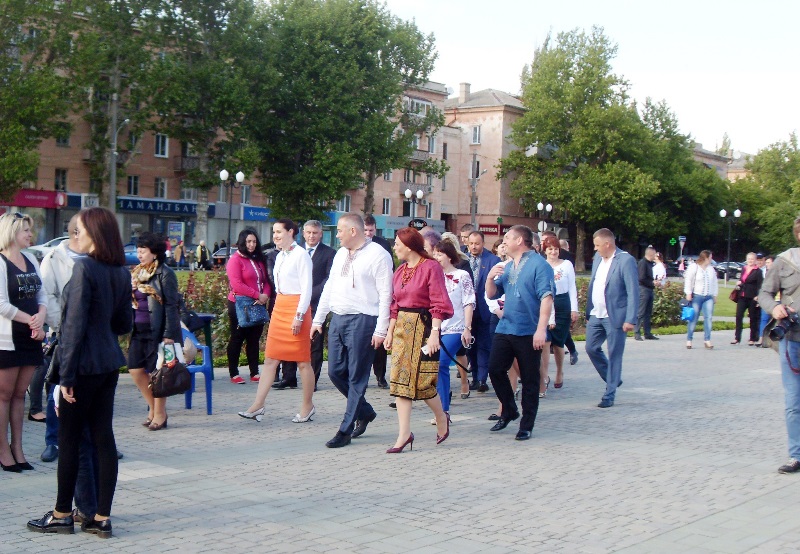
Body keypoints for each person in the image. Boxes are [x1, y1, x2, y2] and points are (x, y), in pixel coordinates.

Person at [28, 207, 133, 537]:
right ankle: (101, 517)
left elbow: (72, 327)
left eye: (80, 231)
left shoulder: (84, 268)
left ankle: (62, 513)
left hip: (83, 366)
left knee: (69, 440)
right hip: (108, 364)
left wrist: (66, 377)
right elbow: (123, 323)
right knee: (103, 438)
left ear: (95, 235)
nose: (76, 237)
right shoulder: (120, 272)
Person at [312, 214, 393, 448]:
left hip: (364, 319)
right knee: (335, 372)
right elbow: (329, 287)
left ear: (353, 231)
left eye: (340, 230)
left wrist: (381, 329)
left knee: (357, 376)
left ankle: (345, 430)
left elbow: (386, 294)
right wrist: (319, 319)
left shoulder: (378, 255)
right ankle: (365, 411)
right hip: (339, 318)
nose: (337, 235)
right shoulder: (340, 254)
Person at [384, 227, 454, 453]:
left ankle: (441, 416)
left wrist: (435, 333)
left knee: (422, 383)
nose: (394, 247)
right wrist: (389, 332)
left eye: (397, 244)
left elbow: (439, 302)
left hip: (423, 328)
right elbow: (395, 305)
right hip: (402, 330)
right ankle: (404, 434)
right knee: (400, 382)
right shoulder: (400, 270)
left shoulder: (431, 267)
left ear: (408, 246)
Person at [239, 219, 314, 423]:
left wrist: (299, 316)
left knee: (303, 362)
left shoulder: (301, 255)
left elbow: (307, 289)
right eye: (274, 232)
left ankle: (307, 406)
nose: (275, 236)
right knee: (271, 359)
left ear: (291, 232)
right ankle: (258, 405)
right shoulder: (279, 255)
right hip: (280, 307)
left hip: (297, 308)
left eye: (279, 232)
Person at [485, 225, 554, 441]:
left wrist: (541, 329)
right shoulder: (507, 265)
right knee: (495, 369)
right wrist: (489, 278)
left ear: (520, 241)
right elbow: (493, 293)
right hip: (506, 326)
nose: (503, 241)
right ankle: (509, 409)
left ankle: (526, 424)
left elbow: (547, 298)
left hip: (528, 330)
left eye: (508, 237)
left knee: (530, 379)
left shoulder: (539, 265)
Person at [0, 212, 46, 472]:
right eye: (25, 230)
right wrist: (32, 321)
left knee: (20, 395)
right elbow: (1, 304)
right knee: (4, 395)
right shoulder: (0, 262)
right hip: (7, 338)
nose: (30, 234)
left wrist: (41, 317)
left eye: (30, 229)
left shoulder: (31, 259)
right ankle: (3, 450)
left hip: (30, 337)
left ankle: (18, 448)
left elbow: (42, 294)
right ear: (11, 232)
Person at [128, 232, 182, 431]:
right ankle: (154, 408)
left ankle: (159, 414)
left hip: (158, 331)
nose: (139, 255)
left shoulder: (165, 274)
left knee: (158, 375)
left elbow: (171, 306)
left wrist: (168, 334)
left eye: (143, 251)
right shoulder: (137, 273)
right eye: (138, 251)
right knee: (134, 369)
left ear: (154, 252)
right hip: (138, 329)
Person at [758, 220, 800, 474]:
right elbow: (764, 293)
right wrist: (775, 308)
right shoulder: (785, 261)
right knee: (794, 401)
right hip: (791, 339)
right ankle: (796, 455)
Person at [274, 220, 335, 390]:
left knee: (314, 343)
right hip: (294, 304)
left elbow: (328, 280)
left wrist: (308, 295)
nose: (311, 236)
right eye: (308, 232)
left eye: (315, 233)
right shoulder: (295, 251)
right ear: (303, 233)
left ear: (321, 234)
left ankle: (312, 381)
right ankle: (288, 377)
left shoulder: (330, 253)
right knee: (290, 340)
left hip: (316, 304)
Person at [585, 228, 639, 408]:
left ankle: (609, 394)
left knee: (614, 354)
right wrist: (588, 311)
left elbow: (633, 291)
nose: (595, 249)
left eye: (597, 245)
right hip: (596, 314)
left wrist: (630, 319)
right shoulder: (598, 259)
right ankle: (613, 378)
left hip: (615, 316)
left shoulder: (625, 260)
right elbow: (593, 285)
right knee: (591, 348)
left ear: (607, 244)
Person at [432, 240, 475, 421]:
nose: (436, 257)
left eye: (439, 254)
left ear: (449, 256)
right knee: (434, 366)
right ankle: (441, 406)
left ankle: (444, 410)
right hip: (436, 328)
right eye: (434, 254)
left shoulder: (462, 275)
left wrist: (467, 328)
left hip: (455, 327)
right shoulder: (433, 276)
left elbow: (468, 302)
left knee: (441, 362)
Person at [225, 230, 270, 384]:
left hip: (258, 304)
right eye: (248, 242)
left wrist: (265, 295)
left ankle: (254, 372)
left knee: (254, 338)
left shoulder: (258, 259)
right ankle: (234, 373)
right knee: (237, 337)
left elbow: (266, 280)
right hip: (240, 304)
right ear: (242, 243)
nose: (251, 245)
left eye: (254, 241)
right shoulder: (235, 260)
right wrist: (257, 295)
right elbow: (236, 284)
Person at [540, 235, 578, 392]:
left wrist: (574, 309)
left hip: (562, 303)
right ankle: (544, 375)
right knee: (545, 341)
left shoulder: (566, 264)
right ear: (545, 250)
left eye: (556, 249)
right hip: (546, 302)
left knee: (558, 342)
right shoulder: (541, 265)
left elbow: (572, 287)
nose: (553, 252)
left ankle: (559, 371)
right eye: (550, 249)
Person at [465, 231, 501, 392]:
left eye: (477, 243)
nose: (474, 247)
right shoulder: (462, 259)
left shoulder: (493, 260)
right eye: (471, 243)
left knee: (484, 345)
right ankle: (474, 377)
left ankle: (482, 379)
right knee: (470, 346)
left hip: (485, 309)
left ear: (483, 243)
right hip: (467, 311)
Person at [364, 215, 392, 388]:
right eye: (365, 230)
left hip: (379, 296)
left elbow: (390, 268)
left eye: (371, 230)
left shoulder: (383, 244)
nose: (368, 233)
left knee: (379, 343)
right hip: (363, 297)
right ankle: (362, 376)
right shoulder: (356, 244)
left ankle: (380, 376)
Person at [683, 250, 718, 350]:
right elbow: (688, 280)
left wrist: (715, 294)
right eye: (710, 257)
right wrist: (688, 293)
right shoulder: (694, 267)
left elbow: (714, 282)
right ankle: (689, 339)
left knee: (708, 318)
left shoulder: (711, 269)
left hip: (708, 296)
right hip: (697, 296)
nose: (711, 259)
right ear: (705, 258)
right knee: (694, 318)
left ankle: (707, 340)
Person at [732, 252, 763, 346]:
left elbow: (760, 285)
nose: (750, 260)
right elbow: (742, 280)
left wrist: (758, 296)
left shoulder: (758, 271)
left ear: (755, 260)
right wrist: (739, 282)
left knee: (753, 318)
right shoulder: (744, 268)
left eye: (752, 259)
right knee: (738, 316)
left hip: (752, 297)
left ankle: (752, 338)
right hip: (742, 295)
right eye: (749, 259)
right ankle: (737, 338)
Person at [634, 246, 659, 341]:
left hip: (649, 289)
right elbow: (641, 278)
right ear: (650, 254)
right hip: (643, 289)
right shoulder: (643, 263)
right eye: (655, 254)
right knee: (641, 312)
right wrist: (652, 282)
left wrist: (654, 282)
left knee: (648, 313)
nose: (655, 256)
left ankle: (647, 333)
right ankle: (637, 332)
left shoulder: (650, 264)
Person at [759, 256, 774, 341]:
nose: (767, 264)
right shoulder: (763, 272)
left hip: (777, 299)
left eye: (769, 262)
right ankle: (761, 338)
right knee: (764, 318)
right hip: (767, 299)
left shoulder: (778, 272)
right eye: (766, 262)